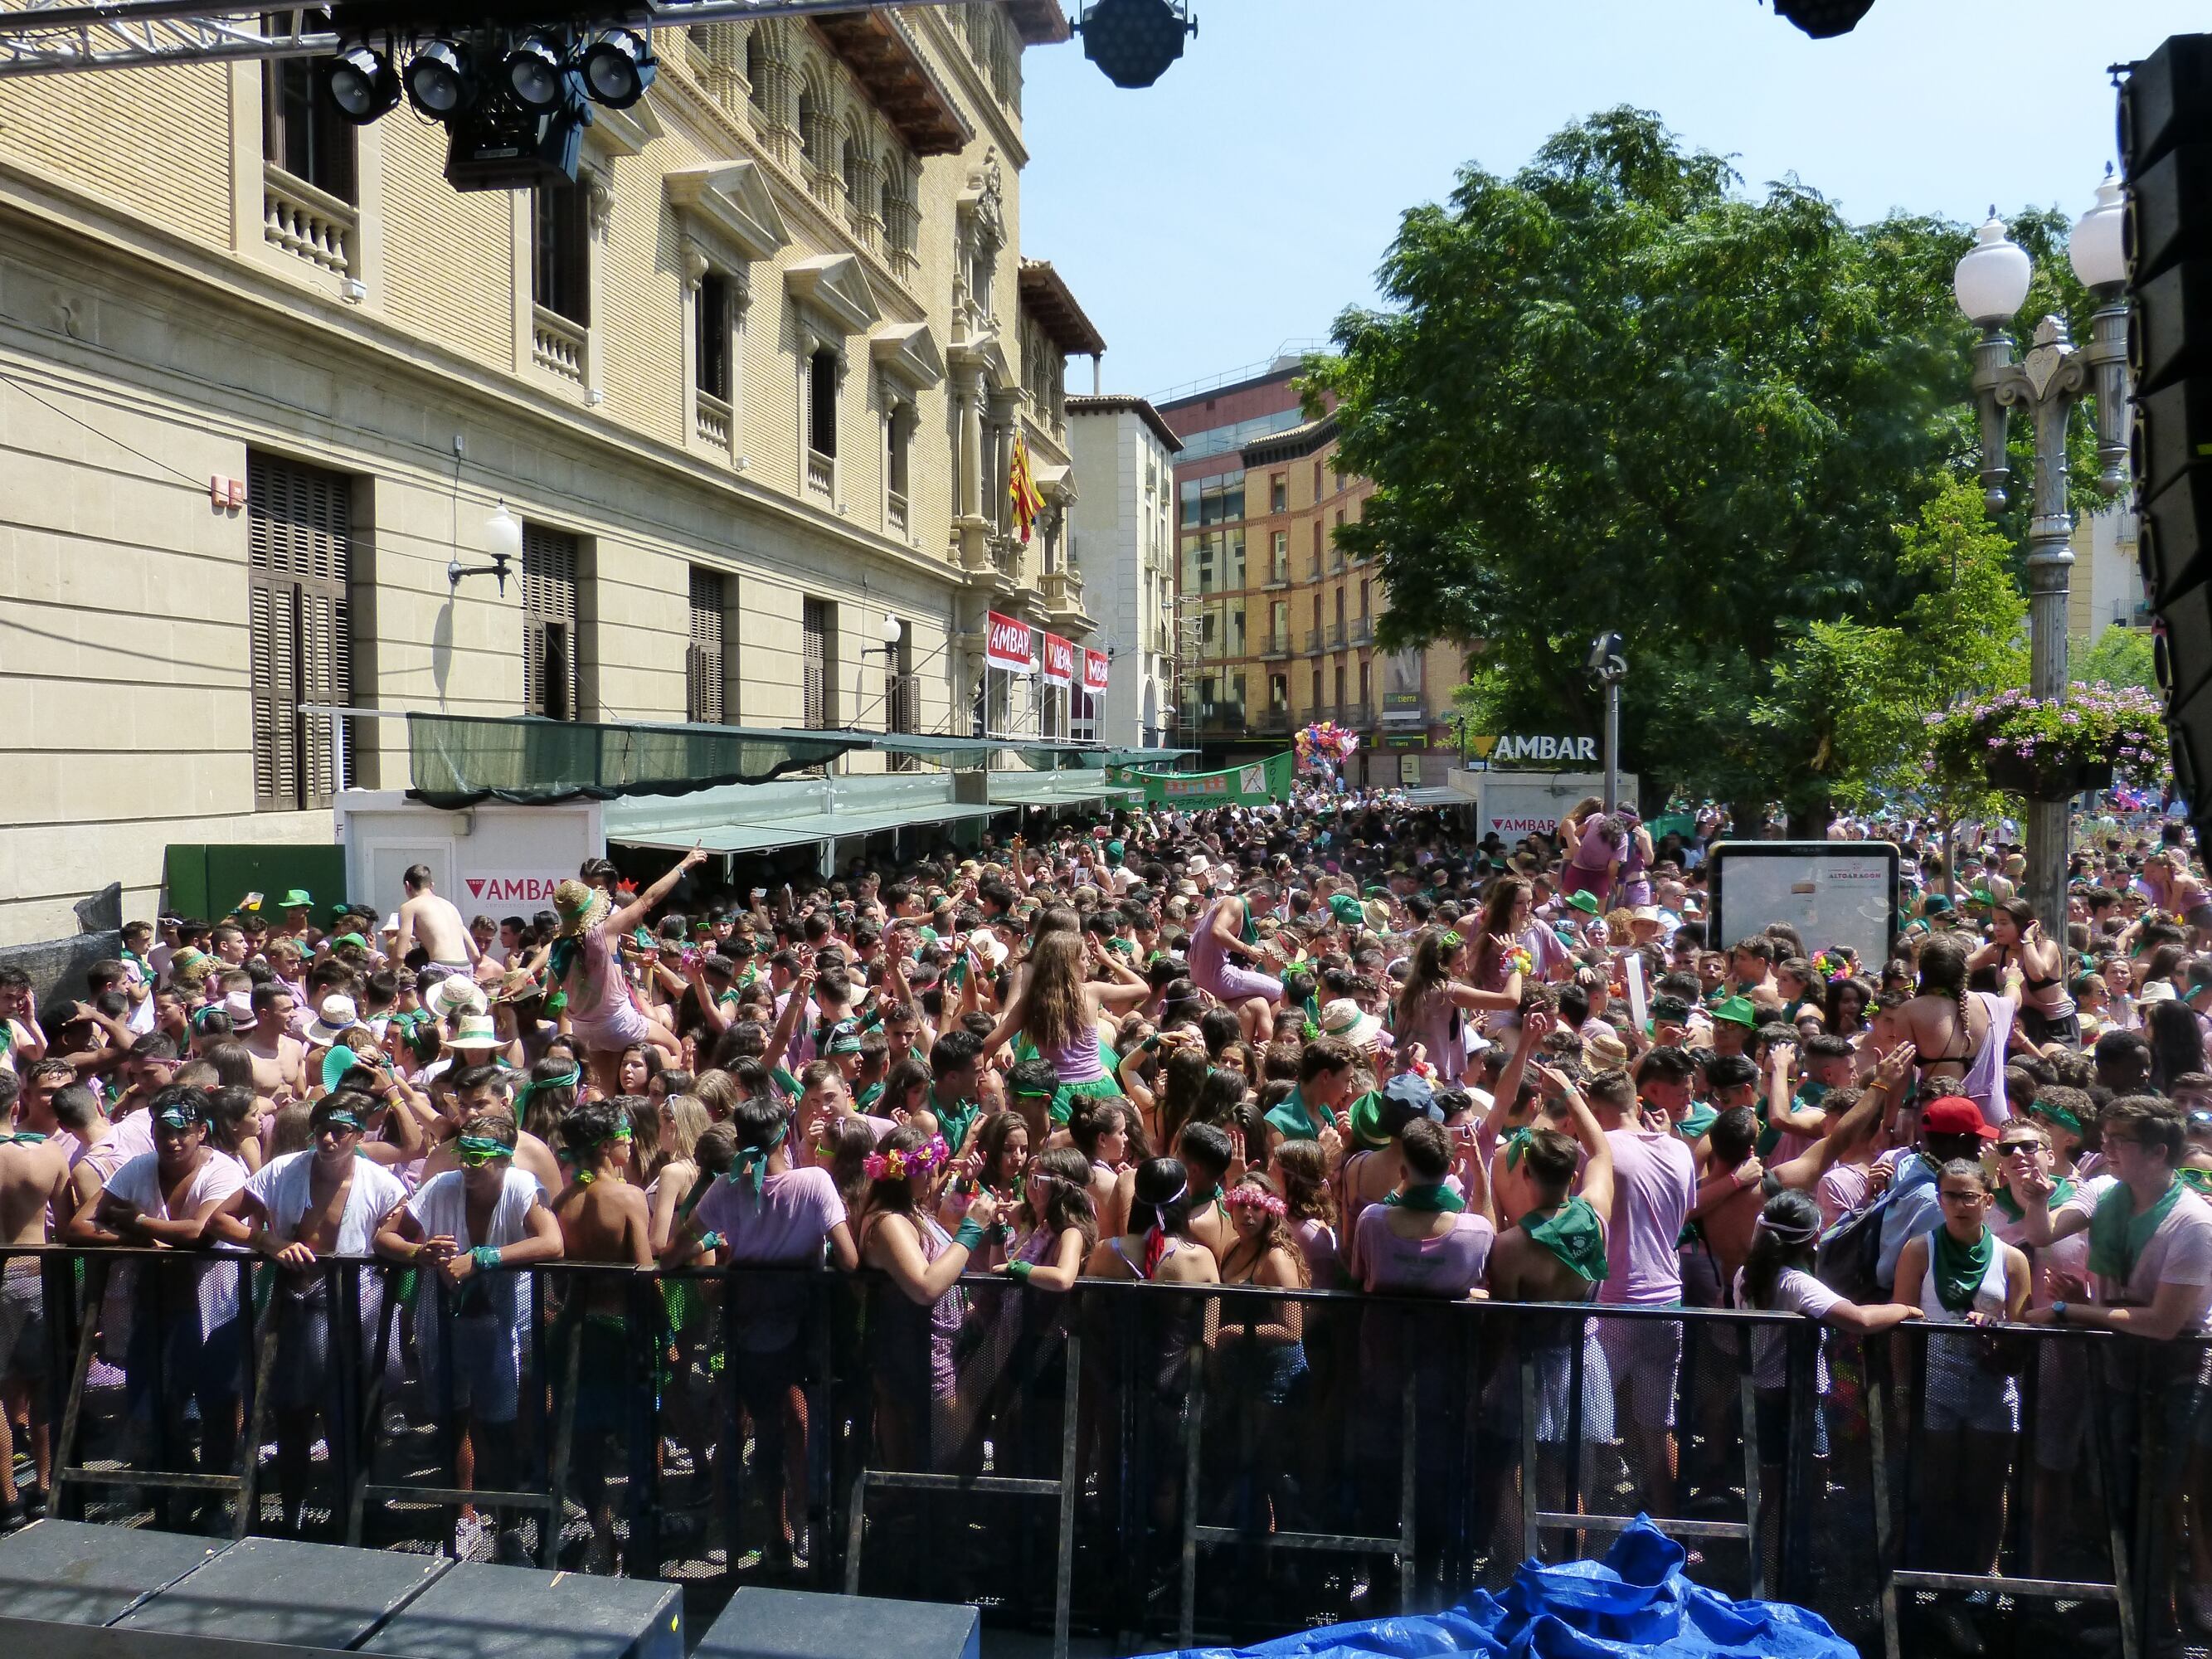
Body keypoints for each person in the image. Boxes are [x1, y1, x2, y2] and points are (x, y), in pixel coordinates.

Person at [373, 1110, 564, 1564]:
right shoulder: (441, 1187)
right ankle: (463, 1513)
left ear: (502, 1160)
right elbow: (385, 1238)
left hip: (501, 1320)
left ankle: (511, 1523)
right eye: (464, 1155)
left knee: (501, 1424)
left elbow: (553, 1243)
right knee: (450, 1416)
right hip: (443, 1316)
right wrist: (419, 1251)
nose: (469, 1165)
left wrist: (485, 1258)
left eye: (480, 1158)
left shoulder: (521, 1187)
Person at [239, 1091, 409, 1535]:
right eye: (321, 1130)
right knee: (292, 1415)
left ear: (358, 1134)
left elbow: (393, 1238)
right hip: (291, 1308)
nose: (329, 1139)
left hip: (357, 1309)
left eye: (340, 1131)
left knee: (349, 1418)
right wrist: (270, 1243)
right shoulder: (282, 1170)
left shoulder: (383, 1185)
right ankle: (291, 1510)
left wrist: (415, 1249)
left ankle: (350, 1514)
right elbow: (225, 1219)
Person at [1891, 1159, 2030, 1652]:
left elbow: (2020, 1334)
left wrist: (1997, 1332)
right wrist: (1904, 1393)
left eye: (1969, 1196)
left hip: (1992, 1387)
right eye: (1949, 1196)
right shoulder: (1919, 1250)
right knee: (1939, 1486)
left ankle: (1983, 1580)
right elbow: (1902, 1324)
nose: (1959, 1205)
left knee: (1988, 1488)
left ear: (1987, 1200)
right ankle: (1936, 1581)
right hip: (1935, 1381)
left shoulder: (2012, 1259)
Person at [548, 1098, 654, 1571]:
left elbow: (556, 1278)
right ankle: (642, 1533)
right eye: (626, 1138)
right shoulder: (628, 1197)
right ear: (610, 1147)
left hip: (575, 1331)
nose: (630, 1144)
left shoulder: (562, 1203)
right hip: (621, 1331)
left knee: (587, 1444)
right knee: (640, 1434)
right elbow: (644, 1272)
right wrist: (667, 1330)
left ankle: (603, 1531)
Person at [548, 850, 703, 1095]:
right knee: (675, 1049)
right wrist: (684, 865)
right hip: (619, 1023)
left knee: (607, 1090)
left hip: (584, 1029)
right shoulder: (603, 931)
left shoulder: (559, 944)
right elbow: (648, 899)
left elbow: (552, 989)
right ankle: (671, 1104)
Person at [396, 865, 482, 975]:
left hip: (441, 967)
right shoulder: (451, 907)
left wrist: (390, 976)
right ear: (432, 885)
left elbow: (399, 955)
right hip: (465, 968)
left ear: (408, 886)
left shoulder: (409, 907)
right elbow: (475, 954)